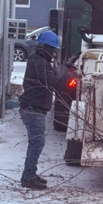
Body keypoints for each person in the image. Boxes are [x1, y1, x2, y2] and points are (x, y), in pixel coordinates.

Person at [18, 30, 63, 190]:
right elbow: (52, 82)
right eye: (52, 49)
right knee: (37, 142)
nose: (54, 53)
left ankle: (31, 173)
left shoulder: (40, 61)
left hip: (35, 108)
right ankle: (28, 177)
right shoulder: (38, 62)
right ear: (44, 47)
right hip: (32, 109)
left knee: (36, 142)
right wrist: (65, 76)